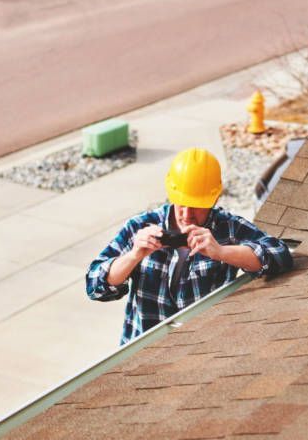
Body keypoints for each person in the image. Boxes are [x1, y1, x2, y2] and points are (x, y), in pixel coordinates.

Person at [86, 147, 293, 345]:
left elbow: (280, 254)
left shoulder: (227, 229)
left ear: (214, 198)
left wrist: (221, 252)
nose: (187, 214)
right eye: (181, 203)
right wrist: (134, 256)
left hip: (199, 352)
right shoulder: (140, 227)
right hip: (140, 353)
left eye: (197, 206)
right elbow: (95, 286)